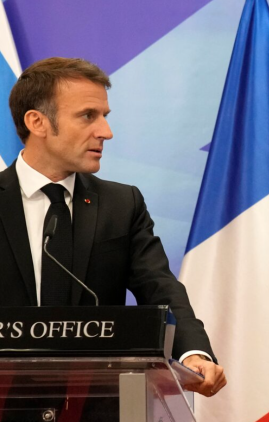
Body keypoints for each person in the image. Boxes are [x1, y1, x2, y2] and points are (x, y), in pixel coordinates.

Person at [1, 57, 226, 399]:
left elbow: (159, 288)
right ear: (37, 122)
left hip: (95, 404)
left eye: (105, 116)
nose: (106, 131)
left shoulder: (122, 205)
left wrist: (192, 352)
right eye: (88, 116)